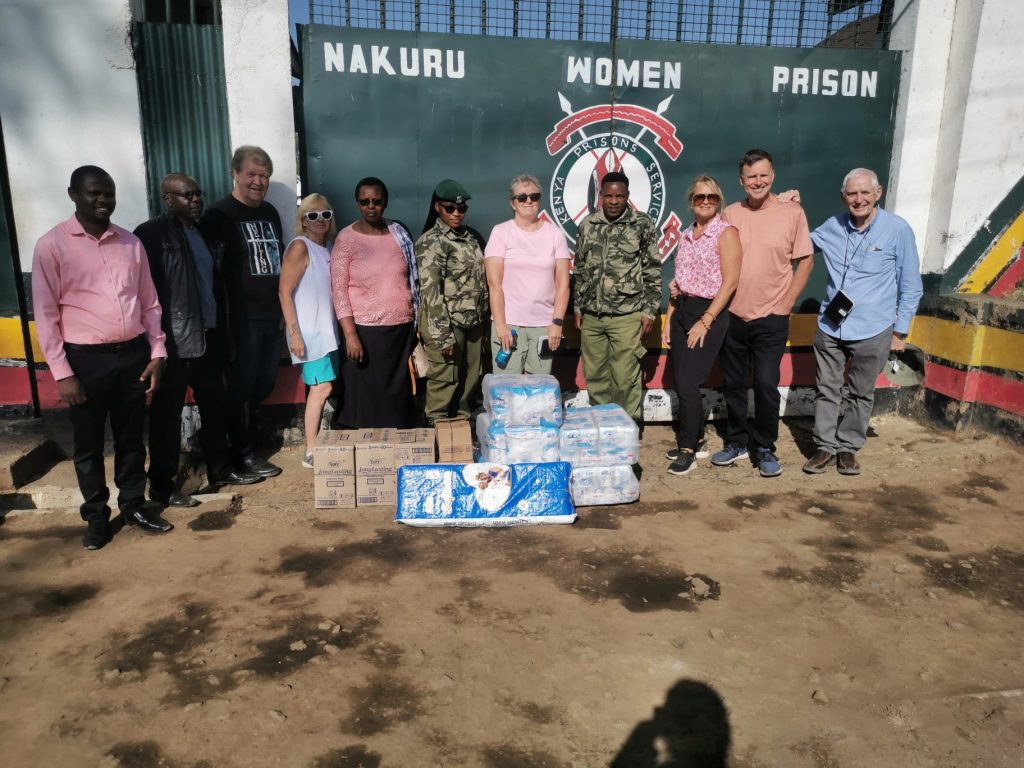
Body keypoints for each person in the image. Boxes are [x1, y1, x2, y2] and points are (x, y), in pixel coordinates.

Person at [31, 166, 171, 550]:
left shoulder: (129, 243)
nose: (103, 200)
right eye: (94, 193)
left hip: (132, 356)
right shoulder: (52, 245)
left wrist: (157, 351)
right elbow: (46, 315)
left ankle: (133, 506)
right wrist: (62, 372)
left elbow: (149, 303)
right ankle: (95, 516)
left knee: (131, 439)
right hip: (85, 362)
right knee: (89, 445)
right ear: (73, 194)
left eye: (108, 193)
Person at [135, 174, 263, 506]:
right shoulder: (151, 235)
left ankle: (219, 469)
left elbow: (212, 285)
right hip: (174, 341)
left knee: (215, 407)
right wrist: (155, 344)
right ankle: (162, 487)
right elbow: (143, 293)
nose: (195, 200)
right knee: (166, 417)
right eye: (186, 195)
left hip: (210, 335)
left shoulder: (202, 232)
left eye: (197, 194)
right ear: (167, 199)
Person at [803, 168, 923, 475]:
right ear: (843, 197)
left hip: (874, 328)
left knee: (860, 392)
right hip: (831, 325)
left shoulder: (898, 230)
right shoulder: (833, 226)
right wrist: (786, 207)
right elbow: (798, 244)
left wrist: (901, 332)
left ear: (878, 193)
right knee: (826, 388)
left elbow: (911, 286)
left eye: (864, 193)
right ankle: (825, 446)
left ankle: (848, 447)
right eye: (852, 194)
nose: (858, 200)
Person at [711, 149, 813, 477]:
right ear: (741, 181)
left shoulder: (792, 212)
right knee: (734, 384)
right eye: (751, 176)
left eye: (763, 175)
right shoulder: (729, 214)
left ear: (773, 176)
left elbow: (806, 261)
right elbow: (708, 255)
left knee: (767, 383)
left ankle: (766, 446)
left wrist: (786, 304)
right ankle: (738, 442)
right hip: (733, 315)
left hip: (772, 316)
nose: (758, 181)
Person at [198, 145, 284, 478]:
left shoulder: (271, 213)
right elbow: (209, 272)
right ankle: (244, 454)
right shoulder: (218, 216)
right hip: (240, 319)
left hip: (270, 316)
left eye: (264, 175)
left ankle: (240, 443)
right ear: (234, 173)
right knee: (241, 387)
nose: (258, 181)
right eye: (251, 173)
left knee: (263, 383)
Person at [662, 176, 741, 476]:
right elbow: (678, 283)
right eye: (699, 197)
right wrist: (670, 318)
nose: (706, 201)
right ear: (691, 202)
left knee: (687, 382)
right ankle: (693, 438)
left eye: (711, 197)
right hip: (683, 309)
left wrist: (706, 321)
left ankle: (688, 451)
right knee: (681, 381)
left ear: (718, 201)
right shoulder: (685, 235)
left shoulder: (726, 233)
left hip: (708, 312)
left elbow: (731, 282)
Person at [573, 171, 661, 429]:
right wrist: (578, 306)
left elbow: (652, 270)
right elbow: (579, 269)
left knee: (625, 378)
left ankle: (627, 429)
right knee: (596, 377)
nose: (613, 201)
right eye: (609, 196)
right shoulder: (588, 225)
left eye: (619, 196)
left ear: (627, 197)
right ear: (600, 196)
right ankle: (603, 427)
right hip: (592, 316)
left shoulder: (641, 224)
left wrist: (650, 310)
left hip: (627, 314)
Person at [330, 177, 418, 428]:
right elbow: (339, 290)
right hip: (364, 332)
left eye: (377, 201)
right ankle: (367, 449)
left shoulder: (398, 234)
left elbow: (412, 278)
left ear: (385, 202)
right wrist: (350, 334)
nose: (371, 206)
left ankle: (396, 445)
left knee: (396, 398)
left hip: (400, 330)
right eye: (364, 201)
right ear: (358, 203)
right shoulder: (346, 239)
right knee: (365, 397)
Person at [415, 179, 488, 424]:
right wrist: (443, 335)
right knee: (445, 381)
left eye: (461, 209)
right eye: (450, 208)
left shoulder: (469, 238)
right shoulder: (431, 241)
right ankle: (437, 438)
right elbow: (430, 292)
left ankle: (459, 437)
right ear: (437, 207)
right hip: (447, 325)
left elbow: (481, 281)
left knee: (469, 380)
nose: (456, 213)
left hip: (473, 324)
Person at [279, 194, 342, 467]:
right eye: (312, 216)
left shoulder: (327, 247)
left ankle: (316, 445)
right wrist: (294, 334)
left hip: (328, 331)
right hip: (311, 333)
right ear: (303, 220)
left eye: (325, 215)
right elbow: (283, 292)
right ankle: (311, 450)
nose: (320, 221)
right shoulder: (299, 247)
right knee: (320, 388)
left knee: (326, 387)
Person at [484, 174, 571, 374]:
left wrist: (557, 323)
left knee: (539, 392)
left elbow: (563, 285)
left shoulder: (555, 235)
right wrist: (501, 325)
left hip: (544, 326)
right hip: (509, 325)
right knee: (506, 391)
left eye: (534, 196)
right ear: (512, 203)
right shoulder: (500, 232)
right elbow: (494, 285)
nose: (528, 201)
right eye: (522, 198)